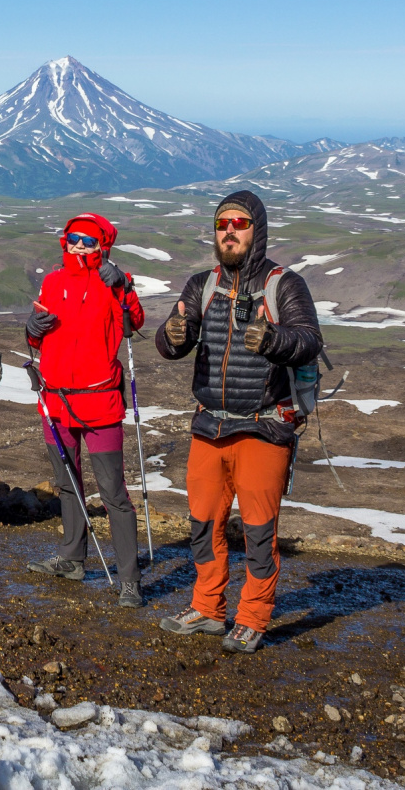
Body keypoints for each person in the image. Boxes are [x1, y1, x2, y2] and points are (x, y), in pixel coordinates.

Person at [153, 189, 322, 653]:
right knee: (203, 525)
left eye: (239, 223)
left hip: (265, 427)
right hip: (209, 426)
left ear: (257, 231)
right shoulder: (201, 285)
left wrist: (272, 340)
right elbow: (170, 343)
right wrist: (171, 336)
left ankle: (252, 617)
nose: (229, 230)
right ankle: (208, 610)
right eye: (222, 223)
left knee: (258, 533)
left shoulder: (284, 285)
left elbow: (308, 340)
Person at [25, 212, 147, 607]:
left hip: (101, 401)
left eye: (89, 240)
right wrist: (32, 328)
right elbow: (35, 338)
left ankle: (129, 580)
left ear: (103, 245)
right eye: (73, 238)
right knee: (67, 483)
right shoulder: (53, 280)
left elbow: (133, 324)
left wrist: (122, 286)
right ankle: (71, 559)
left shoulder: (114, 282)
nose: (79, 245)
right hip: (57, 399)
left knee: (113, 492)